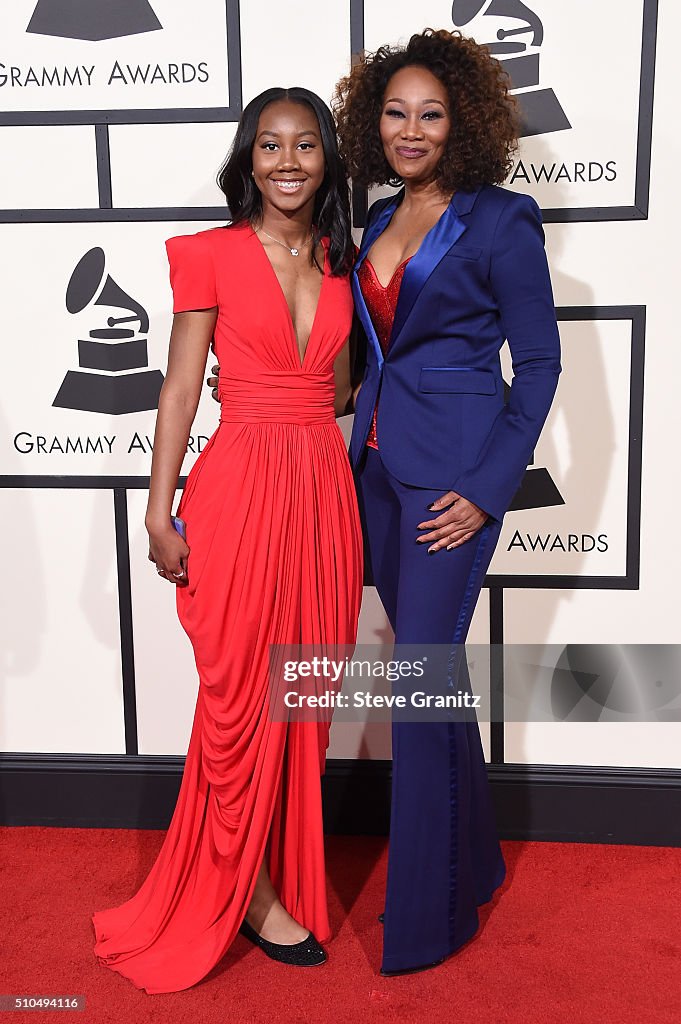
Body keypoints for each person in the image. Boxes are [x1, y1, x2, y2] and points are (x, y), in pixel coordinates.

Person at [206, 27, 561, 978]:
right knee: (433, 683)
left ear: (464, 124)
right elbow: (353, 354)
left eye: (431, 114)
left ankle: (429, 916)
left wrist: (488, 492)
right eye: (395, 113)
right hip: (366, 472)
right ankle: (476, 857)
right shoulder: (370, 218)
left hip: (452, 486)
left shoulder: (501, 220)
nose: (411, 130)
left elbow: (539, 368)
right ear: (374, 124)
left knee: (415, 686)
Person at [91, 87, 363, 994]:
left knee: (304, 692)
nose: (286, 162)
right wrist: (159, 506)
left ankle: (276, 868)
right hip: (240, 486)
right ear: (247, 159)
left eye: (305, 146)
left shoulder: (338, 259)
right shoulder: (207, 255)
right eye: (268, 146)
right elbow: (177, 389)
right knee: (241, 692)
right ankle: (241, 892)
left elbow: (336, 392)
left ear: (327, 158)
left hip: (321, 490)